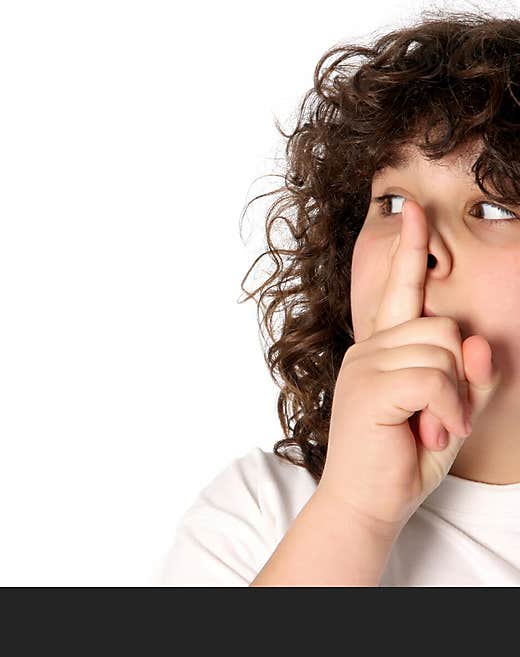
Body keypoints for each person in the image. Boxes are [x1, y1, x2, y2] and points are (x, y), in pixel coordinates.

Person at [158, 9, 520, 586]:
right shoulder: (262, 513)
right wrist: (356, 510)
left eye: (493, 209)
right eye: (394, 203)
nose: (417, 247)